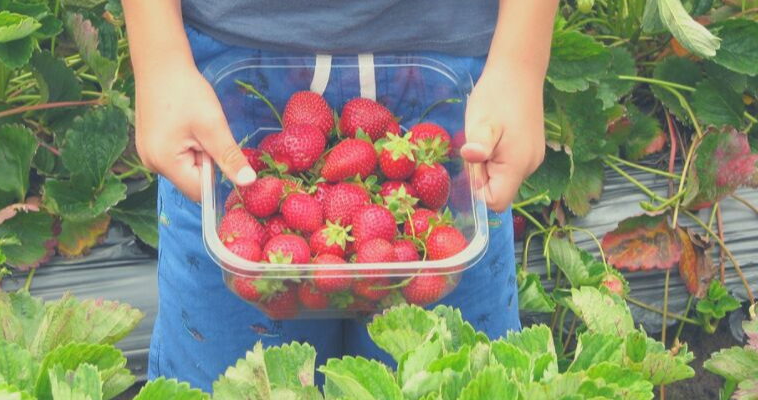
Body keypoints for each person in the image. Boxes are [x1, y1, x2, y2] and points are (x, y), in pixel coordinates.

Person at [122, 0, 559, 392]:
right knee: (227, 382)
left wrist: (519, 61)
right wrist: (159, 55)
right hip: (228, 88)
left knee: (456, 378)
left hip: (454, 81)